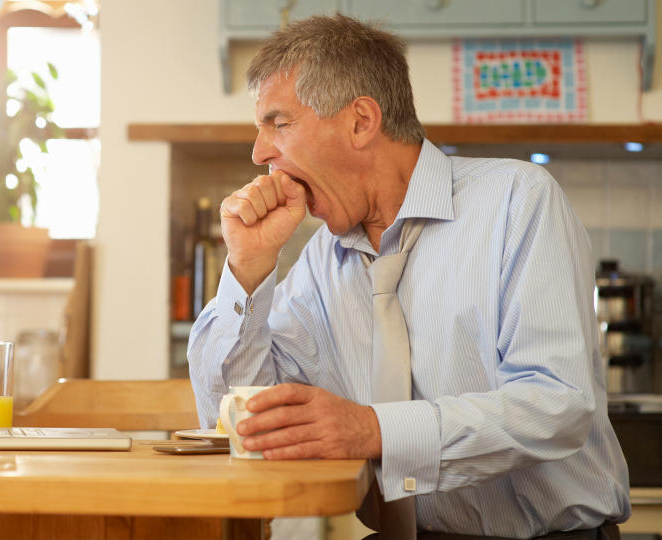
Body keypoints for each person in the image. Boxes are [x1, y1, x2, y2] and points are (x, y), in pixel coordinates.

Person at [187, 14, 630, 538]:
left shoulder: (519, 200)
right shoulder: (320, 258)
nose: (259, 153)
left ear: (360, 121)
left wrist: (373, 429)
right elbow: (239, 415)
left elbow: (557, 406)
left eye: (278, 124)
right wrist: (247, 268)